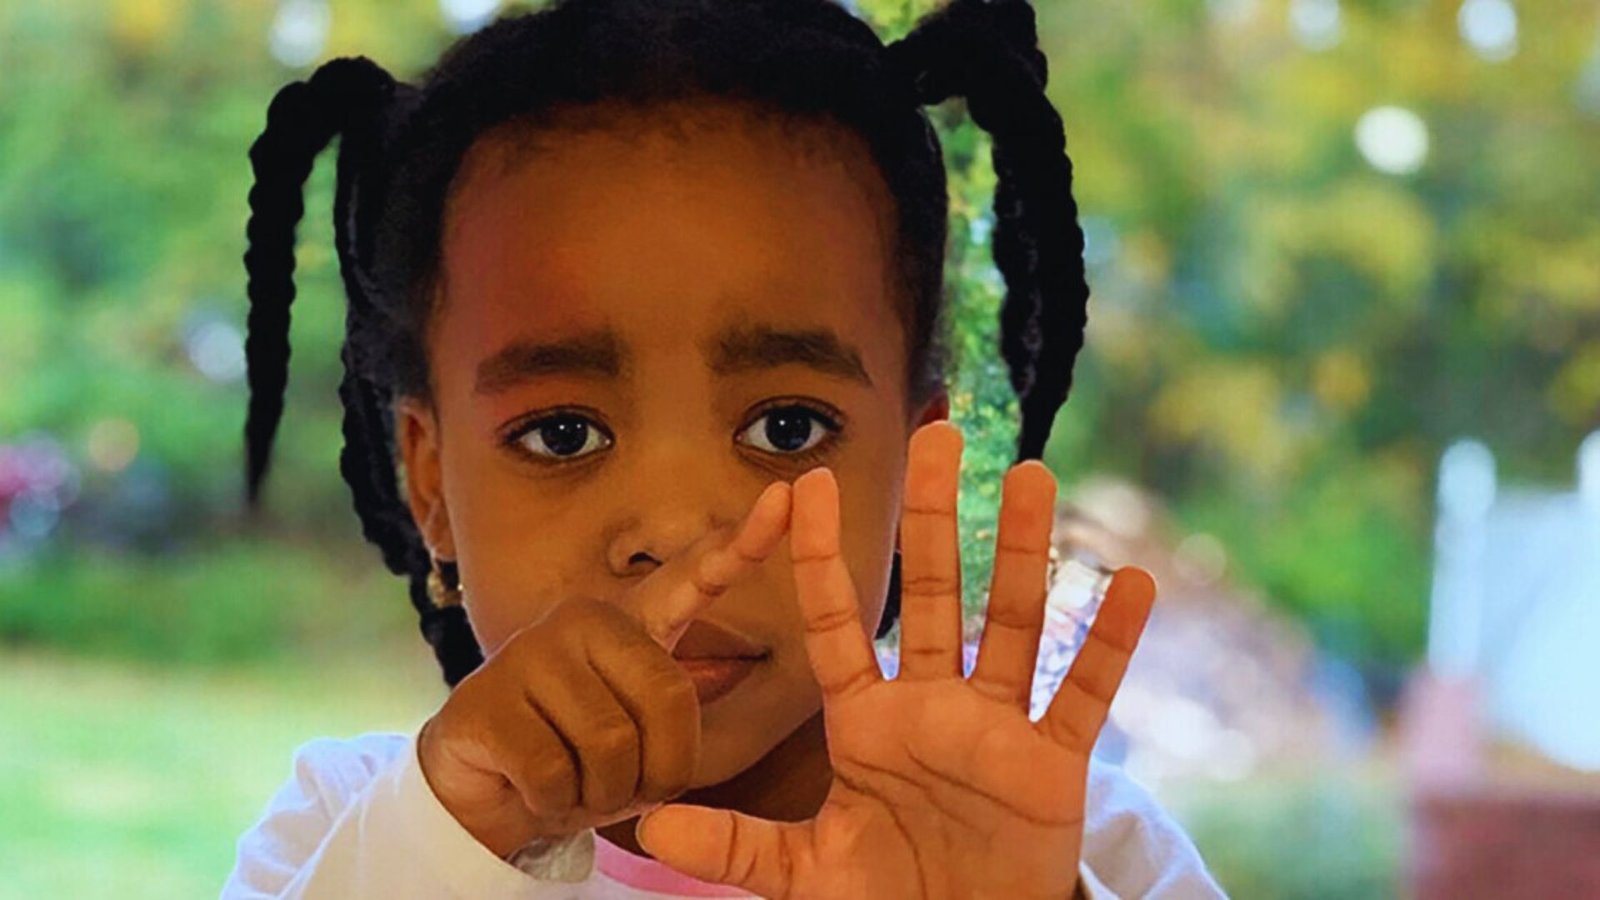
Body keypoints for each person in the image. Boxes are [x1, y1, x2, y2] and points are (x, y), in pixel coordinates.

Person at [223, 0, 1227, 896]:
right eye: (561, 434)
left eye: (785, 428)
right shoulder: (357, 835)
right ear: (429, 483)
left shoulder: (1084, 850)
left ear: (915, 470)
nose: (671, 528)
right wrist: (443, 842)